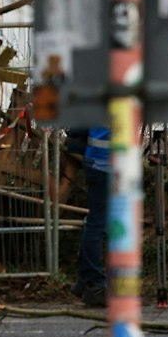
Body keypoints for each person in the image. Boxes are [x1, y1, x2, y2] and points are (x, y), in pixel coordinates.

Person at [64, 124, 110, 306]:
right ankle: (95, 284)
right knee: (98, 224)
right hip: (106, 163)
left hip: (96, 160)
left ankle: (86, 280)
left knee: (96, 221)